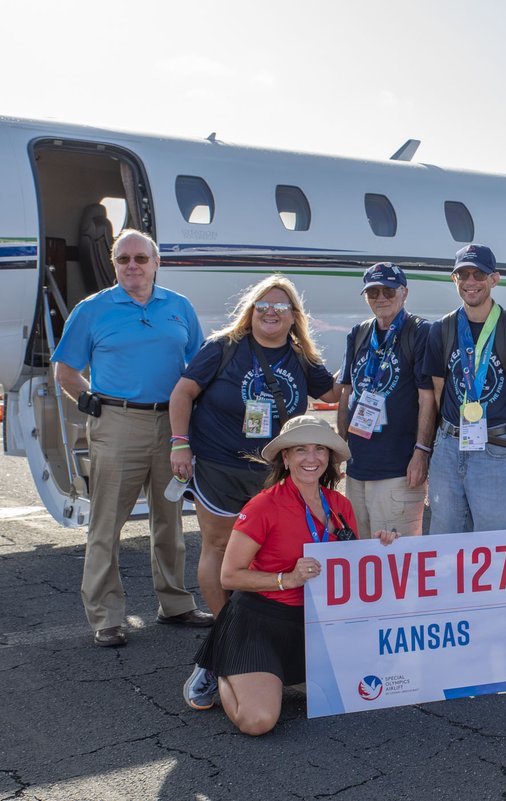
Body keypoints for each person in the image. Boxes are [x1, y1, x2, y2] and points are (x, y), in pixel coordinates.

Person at [51, 229, 211, 647]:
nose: (133, 266)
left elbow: (200, 364)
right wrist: (88, 400)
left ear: (157, 263)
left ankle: (175, 604)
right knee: (107, 524)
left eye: (141, 258)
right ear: (114, 264)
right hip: (117, 422)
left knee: (170, 519)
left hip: (172, 426)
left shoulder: (179, 307)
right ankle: (106, 617)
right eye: (124, 260)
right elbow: (65, 369)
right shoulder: (92, 310)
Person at [182, 416, 373, 735]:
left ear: (328, 457)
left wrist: (382, 545)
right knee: (258, 721)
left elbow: (351, 565)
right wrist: (286, 579)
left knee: (356, 693)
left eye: (319, 450)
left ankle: (285, 675)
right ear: (285, 457)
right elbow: (229, 576)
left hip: (316, 624)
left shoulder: (339, 505)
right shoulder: (262, 506)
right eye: (301, 449)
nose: (311, 458)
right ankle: (218, 665)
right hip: (260, 621)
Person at [168, 275, 339, 618]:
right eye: (263, 305)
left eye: (280, 306)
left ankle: (259, 627)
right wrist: (179, 444)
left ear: (293, 316)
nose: (270, 312)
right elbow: (182, 393)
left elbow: (334, 394)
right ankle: (225, 630)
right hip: (220, 467)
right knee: (218, 546)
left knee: (271, 550)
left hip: (274, 473)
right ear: (251, 311)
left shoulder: (301, 356)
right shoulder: (224, 347)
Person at [422, 244, 506, 534]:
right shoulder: (442, 330)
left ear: (494, 279)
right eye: (462, 275)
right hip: (449, 448)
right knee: (445, 542)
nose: (470, 282)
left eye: (479, 274)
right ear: (455, 280)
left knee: (496, 543)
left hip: (495, 449)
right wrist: (439, 444)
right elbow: (438, 394)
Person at [337, 263, 434, 537]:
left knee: (395, 560)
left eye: (388, 292)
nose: (380, 298)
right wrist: (340, 449)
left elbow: (428, 399)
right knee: (359, 553)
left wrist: (421, 453)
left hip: (398, 469)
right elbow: (346, 392)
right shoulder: (358, 334)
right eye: (373, 292)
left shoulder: (420, 332)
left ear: (404, 293)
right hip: (357, 468)